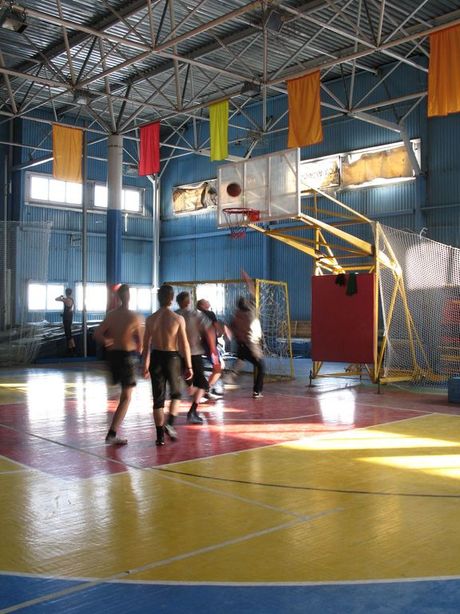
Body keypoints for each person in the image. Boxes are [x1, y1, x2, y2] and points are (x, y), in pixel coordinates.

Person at [142, 284, 193, 446]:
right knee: (176, 394)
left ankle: (160, 437)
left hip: (156, 357)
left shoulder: (150, 319)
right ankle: (170, 424)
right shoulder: (178, 319)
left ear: (158, 299)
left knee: (158, 399)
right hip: (172, 358)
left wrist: (145, 364)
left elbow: (146, 346)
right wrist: (189, 366)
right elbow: (184, 344)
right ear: (171, 299)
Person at [94, 284, 144, 445]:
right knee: (126, 397)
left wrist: (107, 341)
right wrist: (143, 360)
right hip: (127, 356)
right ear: (129, 296)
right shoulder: (134, 316)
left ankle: (113, 432)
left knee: (122, 394)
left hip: (113, 356)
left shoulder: (111, 315)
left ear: (118, 297)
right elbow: (141, 344)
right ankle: (112, 433)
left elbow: (97, 333)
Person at [176, 291, 217, 424]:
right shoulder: (195, 314)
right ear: (188, 301)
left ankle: (190, 391)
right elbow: (209, 330)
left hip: (178, 354)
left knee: (186, 379)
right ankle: (192, 411)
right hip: (194, 353)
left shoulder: (174, 315)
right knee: (203, 385)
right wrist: (213, 348)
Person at [230, 271, 265, 398]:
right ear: (246, 303)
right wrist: (248, 280)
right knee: (261, 366)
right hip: (251, 344)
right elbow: (252, 291)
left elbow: (232, 330)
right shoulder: (251, 310)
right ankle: (257, 391)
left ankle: (232, 374)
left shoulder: (236, 315)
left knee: (241, 359)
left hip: (241, 343)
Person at [196, 298, 227, 398]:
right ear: (202, 305)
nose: (208, 301)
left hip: (202, 345)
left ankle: (207, 388)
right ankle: (206, 389)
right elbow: (216, 328)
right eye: (205, 301)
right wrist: (223, 332)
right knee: (219, 367)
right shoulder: (210, 314)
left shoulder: (197, 316)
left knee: (217, 367)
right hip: (210, 345)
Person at [55, 288, 75, 354]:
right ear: (71, 293)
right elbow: (69, 310)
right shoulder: (72, 300)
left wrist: (60, 296)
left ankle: (73, 349)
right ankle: (70, 350)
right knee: (68, 333)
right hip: (69, 317)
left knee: (68, 334)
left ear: (66, 293)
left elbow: (56, 299)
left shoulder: (66, 300)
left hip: (66, 319)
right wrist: (63, 314)